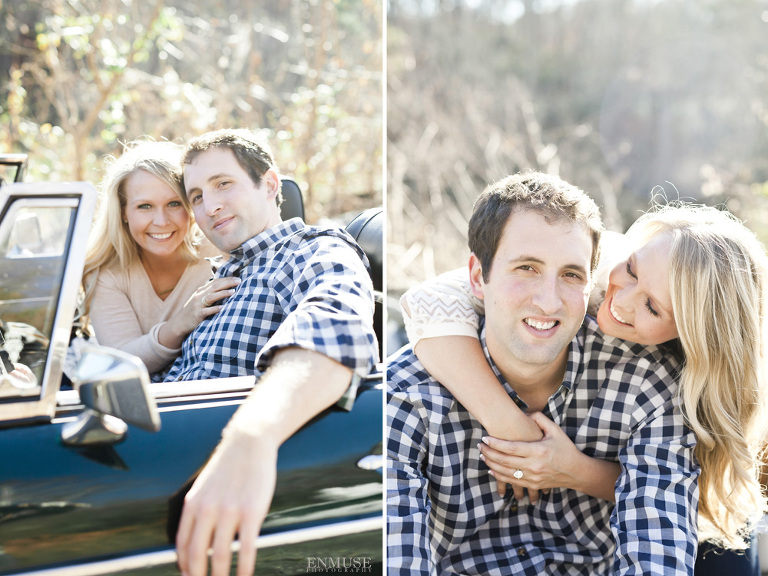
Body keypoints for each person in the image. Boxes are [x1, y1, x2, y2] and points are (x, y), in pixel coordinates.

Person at [400, 200, 768, 571]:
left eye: (652, 308)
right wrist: (509, 425)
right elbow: (429, 301)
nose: (619, 301)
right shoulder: (593, 262)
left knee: (731, 555)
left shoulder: (679, 382)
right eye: (632, 270)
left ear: (696, 335)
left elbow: (674, 499)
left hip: (688, 519)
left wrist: (572, 468)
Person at [167, 129, 378, 576]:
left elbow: (335, 326)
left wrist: (250, 439)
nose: (210, 206)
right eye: (197, 196)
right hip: (161, 455)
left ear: (269, 185)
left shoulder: (310, 249)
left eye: (224, 184)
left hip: (219, 471)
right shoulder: (217, 278)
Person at [81, 140, 239, 375]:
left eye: (174, 203)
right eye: (144, 206)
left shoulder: (220, 250)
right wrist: (181, 322)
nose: (161, 221)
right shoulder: (106, 274)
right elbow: (123, 363)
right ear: (124, 212)